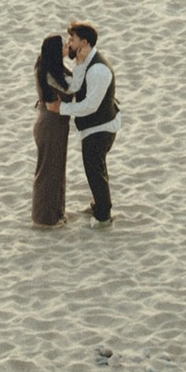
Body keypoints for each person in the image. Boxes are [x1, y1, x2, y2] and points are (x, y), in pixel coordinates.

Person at [63, 22, 119, 222]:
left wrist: (62, 109)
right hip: (94, 127)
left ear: (84, 42)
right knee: (97, 169)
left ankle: (103, 216)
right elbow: (76, 86)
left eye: (72, 40)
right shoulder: (83, 61)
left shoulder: (98, 70)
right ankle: (100, 204)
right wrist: (75, 63)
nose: (68, 43)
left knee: (94, 171)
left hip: (101, 128)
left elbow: (90, 106)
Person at [32, 29, 70, 226]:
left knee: (56, 170)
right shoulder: (50, 73)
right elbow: (74, 88)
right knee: (48, 173)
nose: (68, 47)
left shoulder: (48, 67)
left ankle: (56, 213)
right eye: (64, 46)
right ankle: (44, 218)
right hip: (51, 125)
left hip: (54, 125)